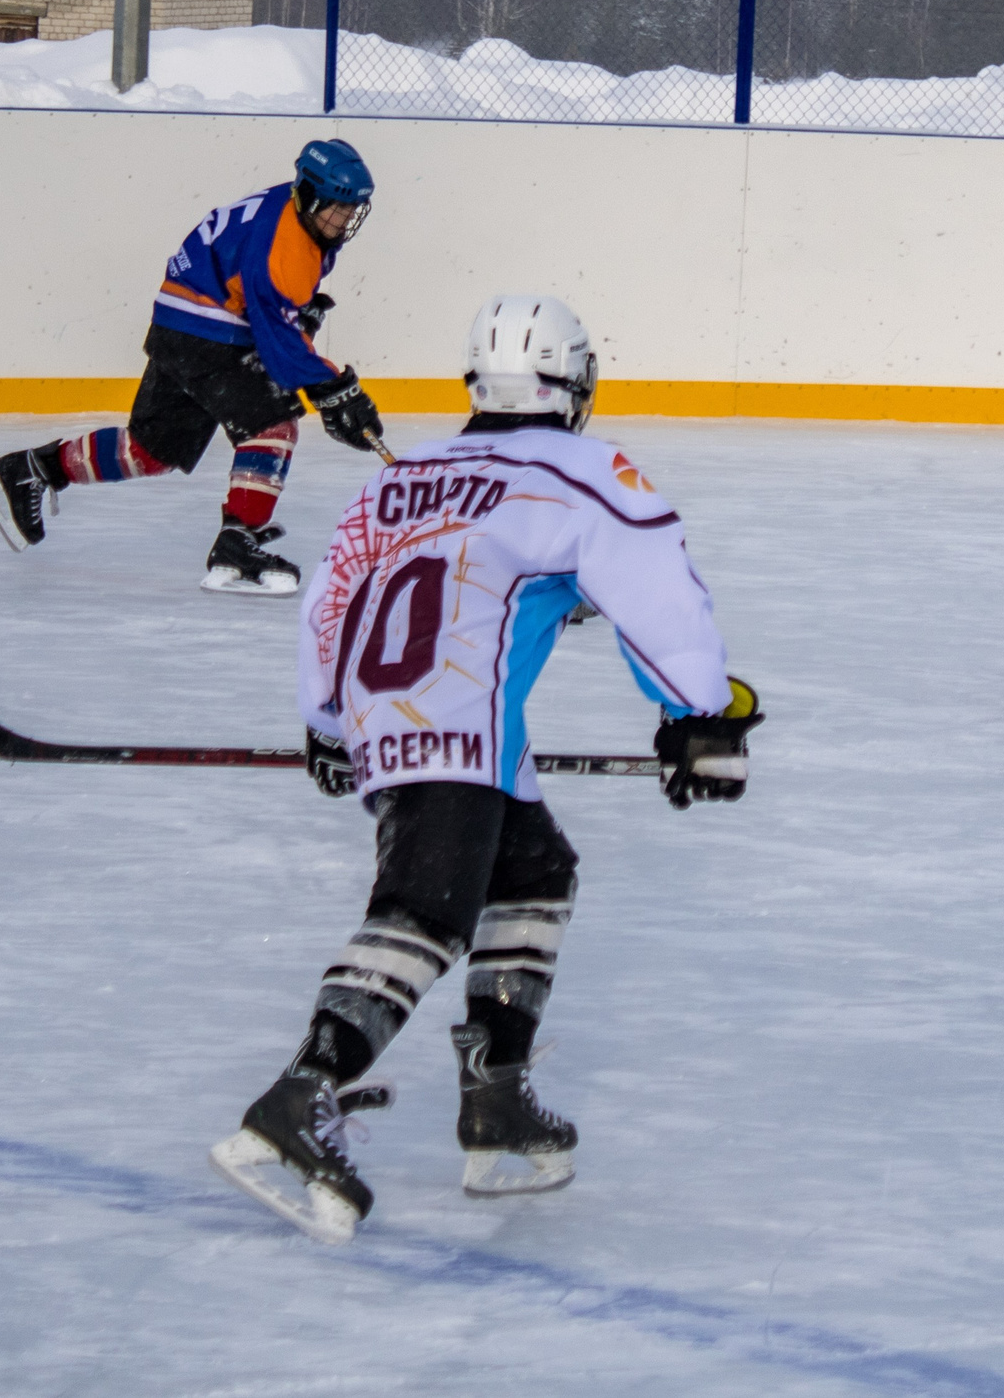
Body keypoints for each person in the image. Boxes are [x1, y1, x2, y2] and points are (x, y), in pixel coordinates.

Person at [208, 295, 763, 1243]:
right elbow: (650, 588)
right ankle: (300, 1096)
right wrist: (699, 716)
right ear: (577, 383)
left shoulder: (403, 475)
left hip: (404, 718)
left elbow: (334, 600)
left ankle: (495, 1099)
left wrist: (328, 720)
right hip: (457, 720)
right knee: (425, 911)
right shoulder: (581, 469)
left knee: (535, 872)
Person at [0, 139, 386, 595]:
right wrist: (336, 390)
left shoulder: (292, 212)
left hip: (179, 321)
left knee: (152, 449)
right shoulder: (284, 247)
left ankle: (33, 470)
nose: (345, 220)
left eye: (352, 211)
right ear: (308, 193)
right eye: (338, 209)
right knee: (272, 425)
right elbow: (279, 346)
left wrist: (303, 333)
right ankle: (238, 540)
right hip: (208, 330)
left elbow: (273, 313)